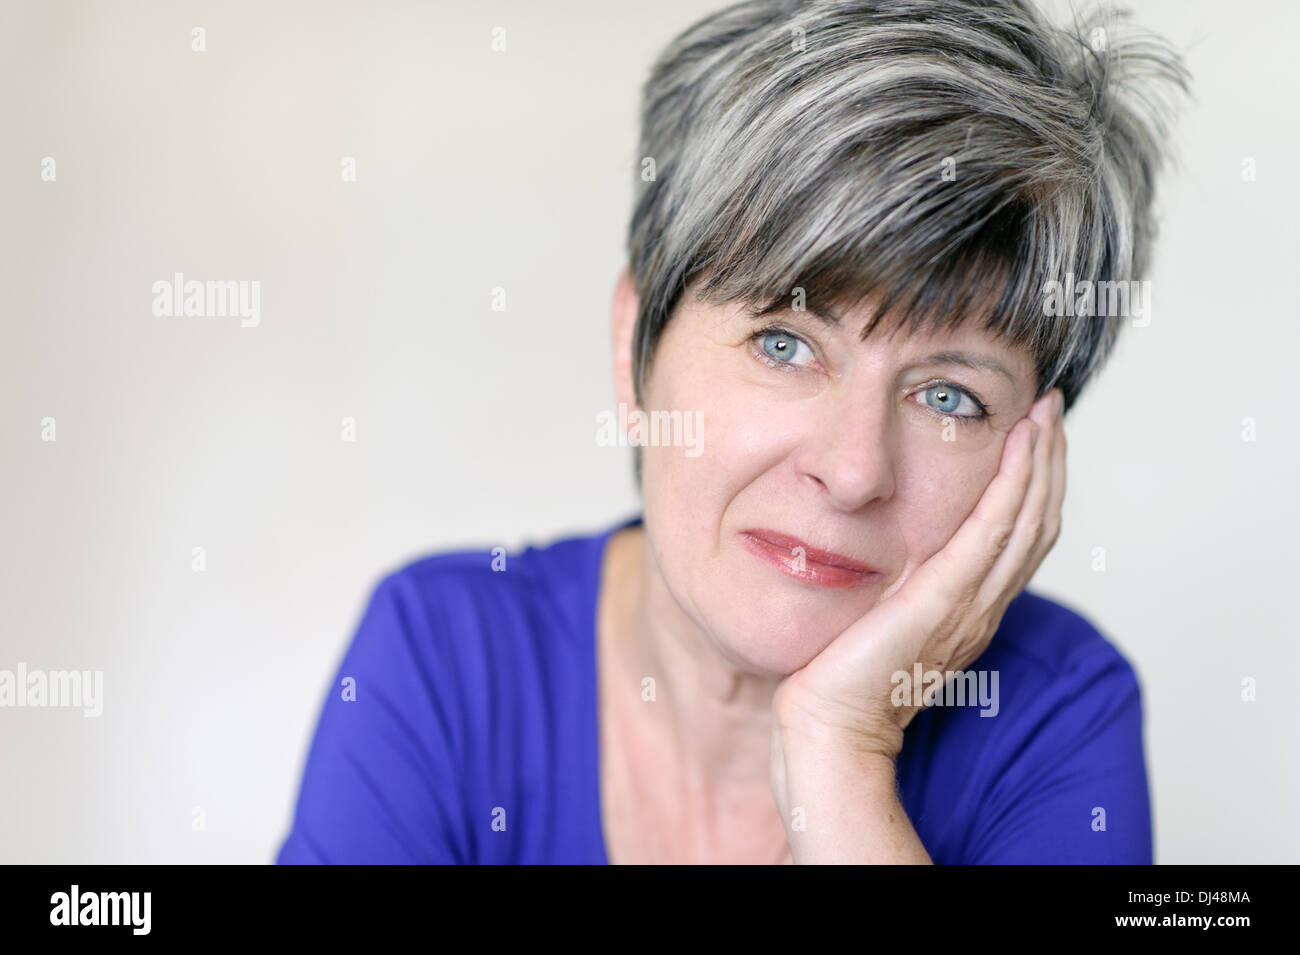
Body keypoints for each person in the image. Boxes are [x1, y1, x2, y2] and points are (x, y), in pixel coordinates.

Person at [275, 0, 1188, 864]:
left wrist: (840, 751)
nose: (852, 469)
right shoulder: (446, 654)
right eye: (785, 343)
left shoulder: (1056, 710)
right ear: (637, 346)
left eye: (948, 398)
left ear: (1030, 453)